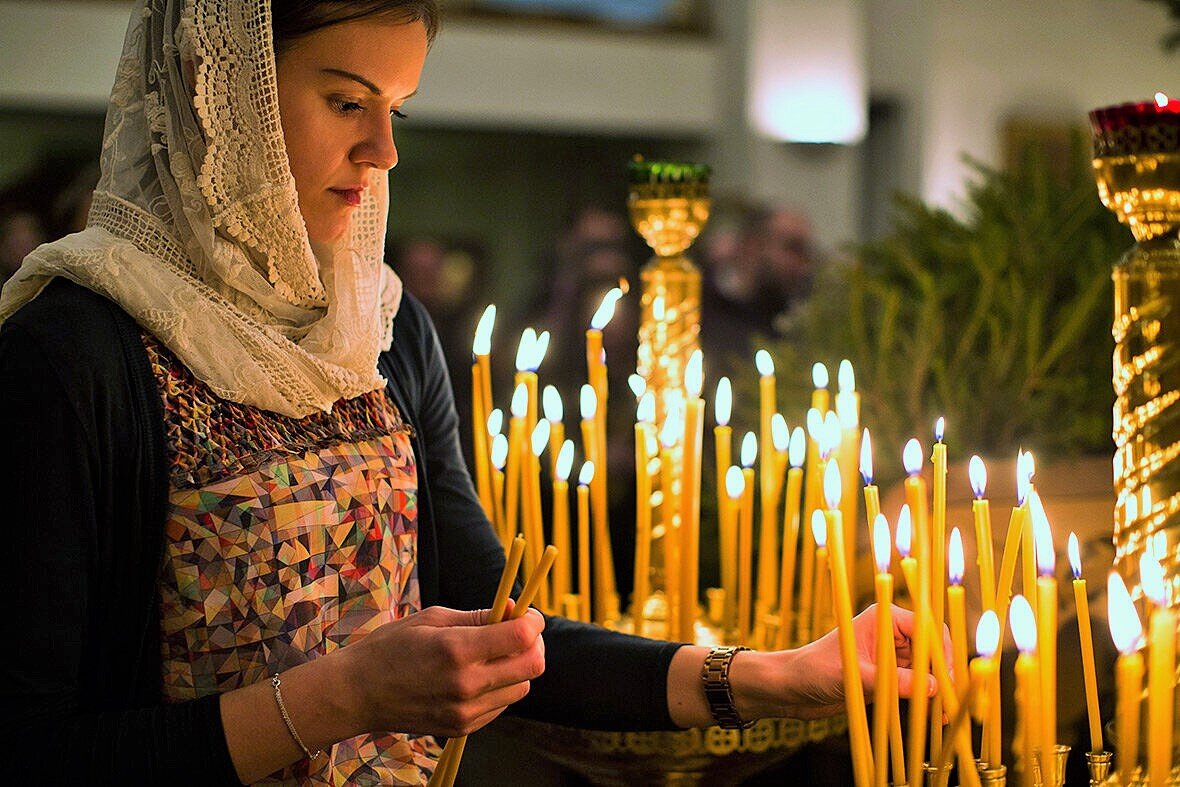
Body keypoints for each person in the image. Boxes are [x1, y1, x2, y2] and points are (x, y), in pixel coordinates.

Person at [0, 2, 934, 784]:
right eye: (344, 101)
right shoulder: (73, 357)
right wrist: (343, 697)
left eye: (395, 112)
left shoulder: (382, 332)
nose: (381, 153)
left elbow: (501, 622)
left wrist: (772, 673)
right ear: (220, 101)